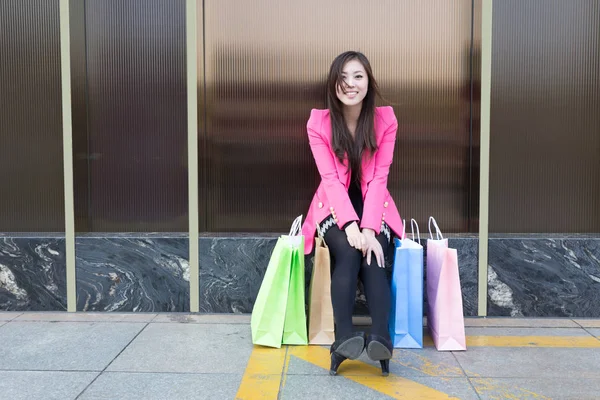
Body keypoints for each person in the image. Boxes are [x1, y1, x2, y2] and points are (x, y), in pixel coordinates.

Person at [301, 51, 403, 376]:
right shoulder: (318, 123)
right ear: (333, 84)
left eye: (358, 76)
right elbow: (330, 180)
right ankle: (344, 336)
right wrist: (349, 225)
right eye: (343, 77)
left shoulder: (386, 120)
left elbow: (379, 177)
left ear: (368, 81)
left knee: (374, 255)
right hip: (334, 205)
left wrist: (370, 229)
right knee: (346, 252)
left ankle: (381, 339)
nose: (350, 84)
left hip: (376, 206)